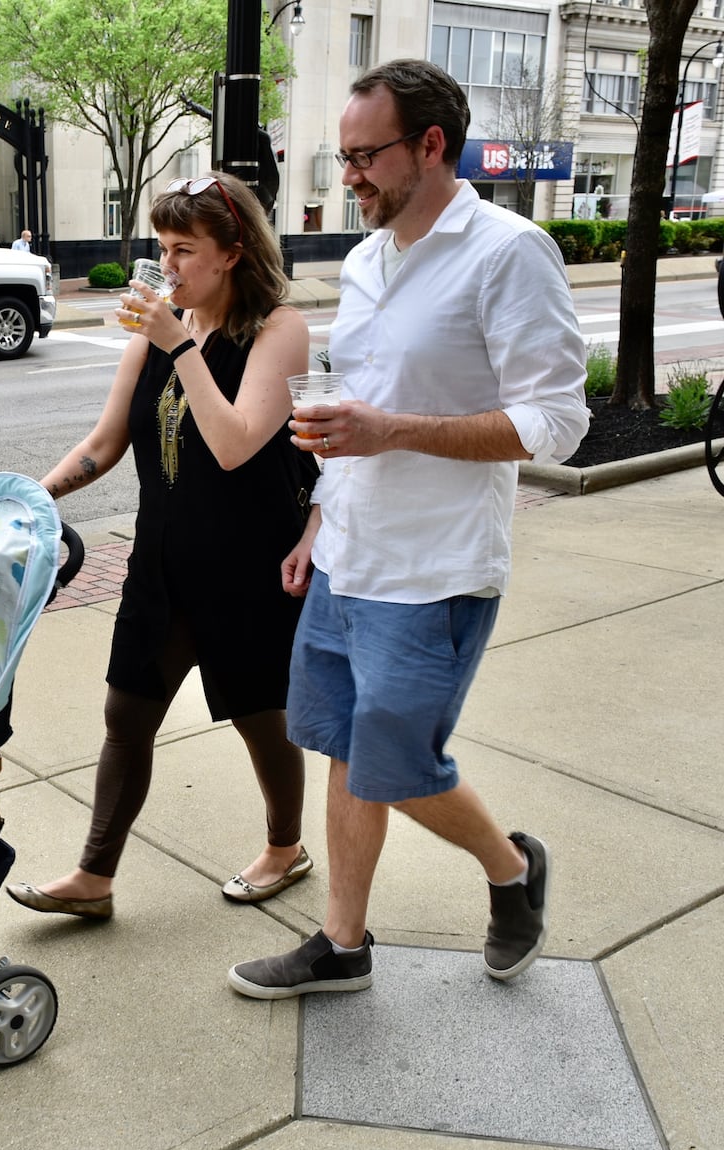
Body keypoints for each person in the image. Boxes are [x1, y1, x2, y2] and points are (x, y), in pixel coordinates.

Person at [227, 59, 590, 999]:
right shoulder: (365, 258)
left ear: (431, 145)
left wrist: (389, 432)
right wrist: (317, 516)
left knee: (399, 764)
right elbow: (365, 405)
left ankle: (513, 869)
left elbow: (555, 420)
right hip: (350, 554)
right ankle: (343, 942)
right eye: (340, 156)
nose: (347, 176)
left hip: (435, 569)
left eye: (363, 156)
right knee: (347, 745)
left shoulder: (509, 252)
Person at [5, 172, 315, 921]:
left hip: (249, 565)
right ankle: (94, 875)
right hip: (162, 561)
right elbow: (107, 442)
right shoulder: (160, 330)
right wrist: (29, 501)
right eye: (162, 248)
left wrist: (179, 346)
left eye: (184, 249)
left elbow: (237, 444)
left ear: (233, 252)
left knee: (259, 714)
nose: (167, 266)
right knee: (127, 713)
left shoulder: (279, 329)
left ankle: (285, 846)